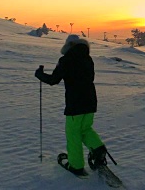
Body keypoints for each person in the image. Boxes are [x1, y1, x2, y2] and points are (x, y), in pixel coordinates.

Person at [35, 34, 108, 177]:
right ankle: (98, 150)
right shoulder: (88, 58)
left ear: (68, 46)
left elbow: (53, 80)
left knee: (73, 133)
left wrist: (39, 75)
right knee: (85, 128)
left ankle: (76, 165)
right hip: (91, 101)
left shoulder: (66, 60)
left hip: (75, 103)